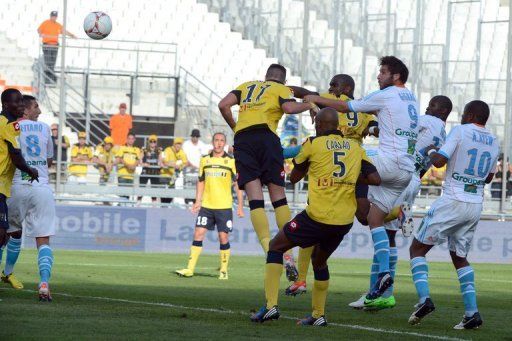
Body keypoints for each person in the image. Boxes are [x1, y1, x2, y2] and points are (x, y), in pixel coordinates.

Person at [305, 56, 420, 306]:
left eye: (383, 72)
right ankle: (385, 272)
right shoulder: (411, 97)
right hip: (406, 170)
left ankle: (336, 203)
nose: (379, 76)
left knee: (345, 163)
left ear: (396, 77)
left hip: (388, 162)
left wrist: (315, 98)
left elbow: (345, 107)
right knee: (373, 219)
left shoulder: (388, 94)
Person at [250, 108, 381, 325]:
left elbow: (294, 177)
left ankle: (270, 306)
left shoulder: (313, 143)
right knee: (319, 261)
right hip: (343, 221)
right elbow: (375, 179)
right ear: (337, 126)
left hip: (316, 216)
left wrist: (314, 168)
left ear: (319, 125)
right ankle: (318, 316)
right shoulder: (356, 148)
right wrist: (348, 179)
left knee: (275, 246)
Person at [349, 95, 453, 310]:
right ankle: (380, 292)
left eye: (432, 105)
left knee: (369, 216)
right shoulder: (443, 133)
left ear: (443, 111)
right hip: (412, 178)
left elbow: (397, 125)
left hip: (398, 175)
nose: (427, 107)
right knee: (388, 235)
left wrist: (369, 123)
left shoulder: (428, 121)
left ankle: (381, 291)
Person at [408, 100, 499, 330]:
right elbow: (489, 178)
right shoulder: (494, 140)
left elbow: (438, 161)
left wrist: (429, 149)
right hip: (475, 204)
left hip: (452, 200)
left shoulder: (460, 130)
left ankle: (424, 300)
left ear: (469, 114)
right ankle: (471, 313)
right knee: (459, 257)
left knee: (417, 249)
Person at [286, 74, 379, 296]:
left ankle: (396, 212)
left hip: (340, 165)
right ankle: (300, 279)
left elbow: (305, 94)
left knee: (363, 217)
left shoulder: (330, 99)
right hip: (351, 163)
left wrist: (283, 89)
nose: (330, 88)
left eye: (334, 84)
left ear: (346, 87)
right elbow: (375, 129)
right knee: (361, 216)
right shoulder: (365, 109)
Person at [218, 63, 312, 281]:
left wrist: (236, 127)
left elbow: (223, 105)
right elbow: (289, 108)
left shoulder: (247, 86)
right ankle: (287, 253)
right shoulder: (281, 90)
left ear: (265, 76)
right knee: (278, 198)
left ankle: (270, 250)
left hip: (243, 140)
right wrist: (310, 105)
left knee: (255, 200)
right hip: (267, 138)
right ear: (284, 81)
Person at [3, 95, 55, 301]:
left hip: (15, 186)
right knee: (43, 241)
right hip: (40, 186)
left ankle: (6, 272)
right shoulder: (44, 128)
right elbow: (49, 159)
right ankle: (43, 284)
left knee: (7, 234)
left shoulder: (11, 126)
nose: (40, 111)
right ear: (25, 109)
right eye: (36, 107)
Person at [175, 132, 244, 280]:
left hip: (224, 207)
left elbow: (238, 185)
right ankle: (190, 269)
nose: (219, 143)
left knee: (223, 237)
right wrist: (197, 201)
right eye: (216, 140)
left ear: (224, 143)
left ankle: (224, 270)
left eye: (222, 141)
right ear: (212, 142)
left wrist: (240, 206)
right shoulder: (205, 160)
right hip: (207, 206)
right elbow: (200, 181)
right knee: (198, 234)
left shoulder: (231, 161)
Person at [0, 89, 39, 266]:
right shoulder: (9, 124)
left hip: (3, 185)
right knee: (1, 233)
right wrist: (30, 170)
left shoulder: (5, 122)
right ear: (6, 104)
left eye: (22, 102)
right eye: (17, 102)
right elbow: (15, 154)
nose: (21, 106)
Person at [37, 11, 76, 84]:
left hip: (55, 46)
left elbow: (64, 31)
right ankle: (48, 79)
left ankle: (51, 79)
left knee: (52, 63)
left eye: (55, 16)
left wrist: (72, 35)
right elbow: (39, 29)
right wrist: (41, 34)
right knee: (48, 62)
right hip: (47, 45)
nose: (54, 17)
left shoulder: (58, 25)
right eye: (52, 16)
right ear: (50, 16)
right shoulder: (45, 23)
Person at [160, 137, 188, 204]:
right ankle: (162, 208)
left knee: (170, 195)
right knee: (163, 195)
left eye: (180, 144)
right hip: (165, 175)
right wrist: (174, 165)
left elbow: (185, 162)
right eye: (177, 144)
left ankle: (166, 207)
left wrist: (180, 166)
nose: (178, 145)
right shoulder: (167, 150)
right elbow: (164, 162)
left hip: (173, 176)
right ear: (174, 144)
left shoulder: (182, 152)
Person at [139, 134, 163, 203]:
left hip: (155, 172)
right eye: (151, 141)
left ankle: (154, 207)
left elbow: (160, 160)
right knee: (141, 190)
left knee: (154, 192)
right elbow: (139, 160)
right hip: (145, 171)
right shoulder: (144, 149)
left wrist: (160, 164)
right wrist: (144, 164)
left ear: (156, 142)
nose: (152, 143)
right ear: (148, 142)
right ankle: (138, 204)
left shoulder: (159, 150)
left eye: (154, 141)